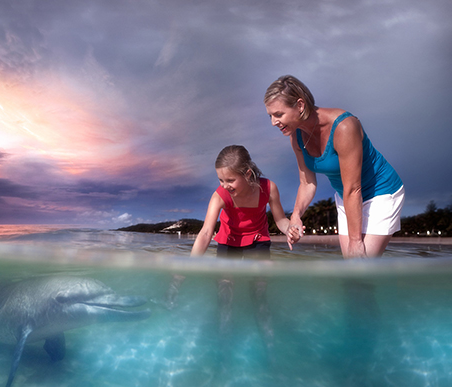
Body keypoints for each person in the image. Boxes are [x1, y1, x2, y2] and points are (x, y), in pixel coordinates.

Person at [164, 145, 299, 354]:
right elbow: (206, 233)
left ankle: (269, 341)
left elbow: (280, 220)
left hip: (258, 239)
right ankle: (224, 339)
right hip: (228, 241)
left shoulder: (268, 188)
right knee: (225, 293)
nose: (224, 185)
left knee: (259, 293)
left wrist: (291, 228)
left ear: (247, 173)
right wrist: (188, 265)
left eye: (230, 180)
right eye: (220, 180)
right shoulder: (219, 195)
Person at [264, 75, 404, 258]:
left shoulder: (344, 127)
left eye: (278, 114)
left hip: (381, 192)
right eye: (270, 116)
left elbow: (354, 188)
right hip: (347, 198)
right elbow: (307, 183)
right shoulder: (296, 137)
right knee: (353, 269)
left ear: (300, 105)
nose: (273, 122)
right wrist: (296, 215)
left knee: (360, 264)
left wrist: (355, 241)